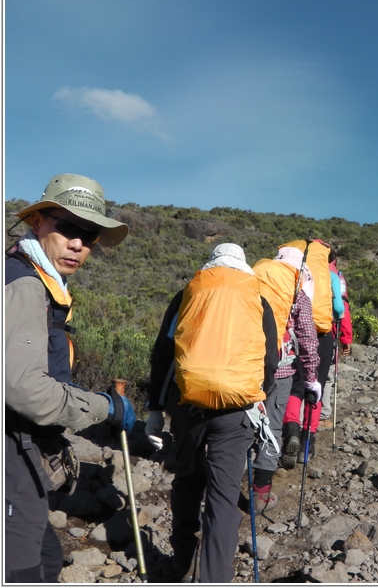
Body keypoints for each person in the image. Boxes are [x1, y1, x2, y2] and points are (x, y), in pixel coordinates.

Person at [5, 173, 136, 583]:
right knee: (26, 568)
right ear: (38, 222)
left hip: (21, 444)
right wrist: (104, 407)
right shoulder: (26, 284)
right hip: (12, 447)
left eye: (89, 235)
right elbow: (23, 387)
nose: (78, 243)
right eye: (67, 227)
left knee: (45, 554)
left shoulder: (30, 277)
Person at [143, 243, 278, 583]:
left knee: (188, 480)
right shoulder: (257, 298)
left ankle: (182, 564)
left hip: (188, 405)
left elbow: (164, 352)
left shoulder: (189, 292)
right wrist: (259, 396)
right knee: (224, 494)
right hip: (238, 411)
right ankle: (215, 577)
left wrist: (156, 409)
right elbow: (270, 362)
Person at [248, 247, 321, 513]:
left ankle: (227, 482)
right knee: (272, 427)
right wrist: (312, 378)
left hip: (247, 369)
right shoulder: (295, 291)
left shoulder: (251, 280)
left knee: (243, 426)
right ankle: (261, 492)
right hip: (279, 370)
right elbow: (308, 339)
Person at [277, 239, 344, 468]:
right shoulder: (331, 277)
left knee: (295, 385)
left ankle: (291, 429)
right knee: (316, 386)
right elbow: (339, 309)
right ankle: (307, 445)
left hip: (294, 333)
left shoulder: (290, 273)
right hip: (323, 334)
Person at [319, 258, 352, 429]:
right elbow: (342, 309)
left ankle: (297, 416)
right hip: (327, 334)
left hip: (299, 335)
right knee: (327, 376)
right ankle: (322, 414)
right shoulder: (335, 277)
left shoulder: (301, 271)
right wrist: (346, 340)